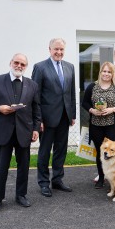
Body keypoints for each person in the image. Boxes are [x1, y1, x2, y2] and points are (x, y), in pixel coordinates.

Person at [0, 53, 41, 212]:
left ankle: (21, 195)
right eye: (17, 62)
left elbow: (36, 109)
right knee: (1, 167)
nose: (19, 66)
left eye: (23, 64)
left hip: (24, 132)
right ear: (10, 63)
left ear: (26, 67)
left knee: (24, 166)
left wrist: (36, 129)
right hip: (2, 132)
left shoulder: (32, 85)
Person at [31, 38, 76, 197]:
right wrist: (38, 120)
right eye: (56, 49)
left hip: (64, 117)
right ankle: (43, 183)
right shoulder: (40, 67)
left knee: (61, 150)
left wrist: (73, 114)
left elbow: (70, 93)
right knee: (44, 152)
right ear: (49, 49)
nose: (59, 52)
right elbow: (34, 96)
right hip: (47, 119)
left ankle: (57, 180)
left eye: (61, 50)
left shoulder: (70, 67)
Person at [82, 62, 115, 188]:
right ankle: (101, 178)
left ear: (112, 74)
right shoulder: (92, 87)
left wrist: (112, 109)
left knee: (113, 153)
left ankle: (113, 179)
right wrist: (92, 110)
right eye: (104, 71)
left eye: (109, 72)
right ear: (100, 72)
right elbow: (85, 103)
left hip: (112, 126)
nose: (106, 74)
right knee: (101, 153)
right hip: (96, 125)